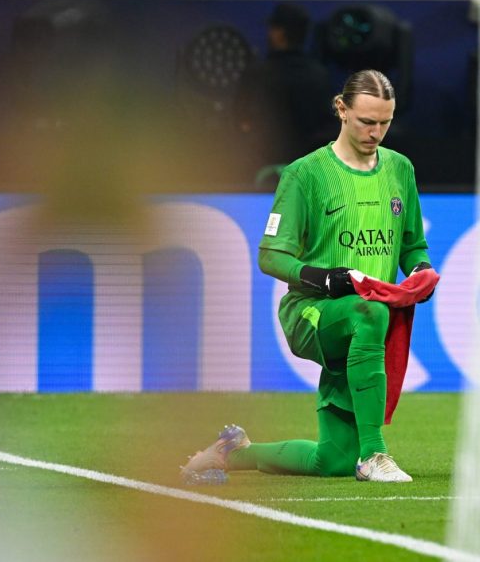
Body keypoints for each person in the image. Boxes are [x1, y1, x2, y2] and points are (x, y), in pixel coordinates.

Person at [182, 69, 435, 483]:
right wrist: (324, 279)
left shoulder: (400, 170)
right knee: (368, 315)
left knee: (332, 461)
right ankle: (374, 455)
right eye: (366, 122)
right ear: (341, 109)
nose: (376, 132)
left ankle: (233, 453)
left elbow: (412, 246)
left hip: (363, 323)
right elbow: (271, 256)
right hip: (312, 313)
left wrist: (422, 270)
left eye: (385, 123)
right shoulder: (305, 174)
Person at [235, 2, 334, 176]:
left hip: (257, 176)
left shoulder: (255, 75)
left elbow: (240, 123)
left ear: (279, 33)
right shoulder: (320, 76)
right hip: (309, 174)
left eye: (272, 28)